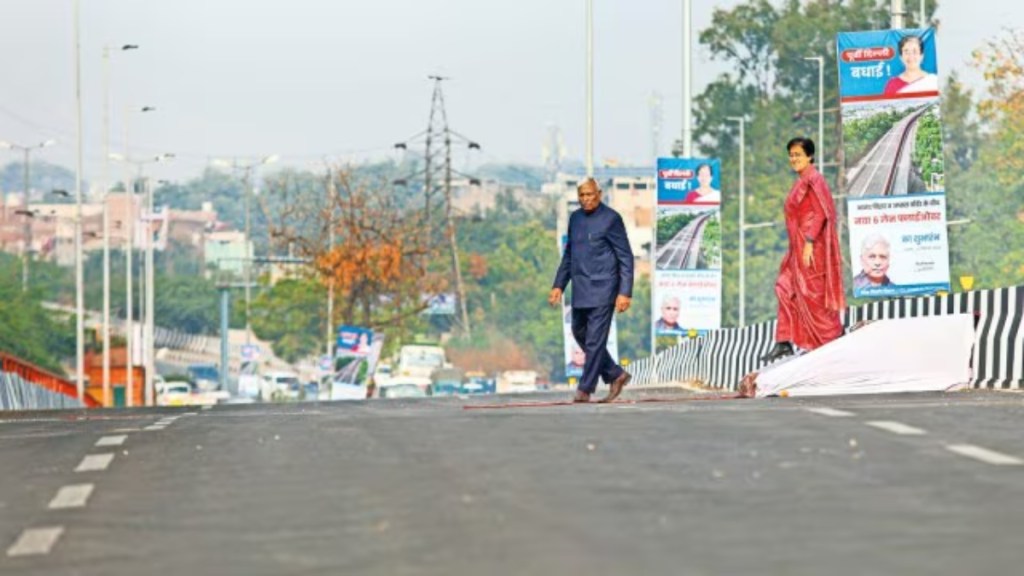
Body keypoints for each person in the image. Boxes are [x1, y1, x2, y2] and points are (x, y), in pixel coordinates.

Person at [549, 178, 635, 403]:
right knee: (579, 332)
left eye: (590, 195)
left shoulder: (611, 219)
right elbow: (569, 255)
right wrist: (558, 285)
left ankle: (585, 389)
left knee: (596, 340)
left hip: (604, 288)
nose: (586, 200)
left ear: (599, 193)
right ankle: (615, 374)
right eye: (582, 196)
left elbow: (625, 257)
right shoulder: (575, 219)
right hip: (581, 289)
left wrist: (625, 292)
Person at [762, 137, 846, 364]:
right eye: (791, 155)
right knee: (784, 287)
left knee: (814, 298)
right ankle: (783, 341)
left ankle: (833, 339)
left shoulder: (815, 180)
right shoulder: (802, 181)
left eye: (798, 154)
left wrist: (809, 242)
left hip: (812, 249)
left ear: (809, 156)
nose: (794, 159)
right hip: (797, 249)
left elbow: (822, 213)